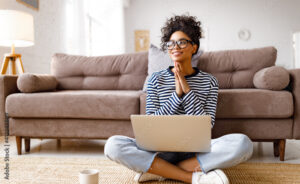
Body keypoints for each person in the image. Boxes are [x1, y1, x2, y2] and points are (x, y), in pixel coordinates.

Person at [104, 14, 253, 184]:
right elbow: (152, 122)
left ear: (194, 47)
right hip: (160, 150)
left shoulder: (209, 81)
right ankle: (190, 176)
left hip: (196, 151)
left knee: (243, 144)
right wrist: (176, 96)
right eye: (171, 43)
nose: (175, 47)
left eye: (181, 42)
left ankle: (157, 170)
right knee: (112, 145)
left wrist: (185, 87)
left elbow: (207, 123)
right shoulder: (155, 79)